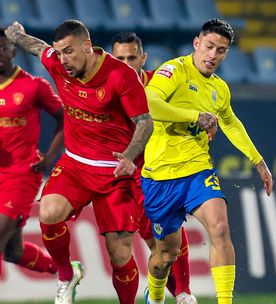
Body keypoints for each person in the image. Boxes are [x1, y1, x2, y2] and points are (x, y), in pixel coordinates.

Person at [5, 20, 153, 304]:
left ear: (87, 46)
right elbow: (40, 49)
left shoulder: (121, 76)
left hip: (115, 173)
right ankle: (66, 275)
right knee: (48, 213)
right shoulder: (59, 65)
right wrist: (18, 36)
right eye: (60, 53)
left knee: (120, 253)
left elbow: (144, 123)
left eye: (69, 51)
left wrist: (130, 157)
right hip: (76, 165)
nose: (63, 59)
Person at [141, 19, 274, 304]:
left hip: (197, 170)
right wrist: (194, 117)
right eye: (210, 46)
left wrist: (258, 160)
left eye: (221, 50)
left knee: (220, 228)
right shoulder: (174, 70)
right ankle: (154, 297)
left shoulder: (220, 89)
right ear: (196, 43)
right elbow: (149, 101)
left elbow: (231, 122)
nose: (213, 55)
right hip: (160, 176)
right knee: (166, 256)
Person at [0, 27, 64, 304]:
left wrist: (49, 157)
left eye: (1, 48)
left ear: (13, 50)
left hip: (24, 173)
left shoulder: (34, 85)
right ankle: (66, 271)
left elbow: (63, 118)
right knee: (12, 250)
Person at [111, 32, 197, 304]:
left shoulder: (161, 86)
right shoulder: (107, 91)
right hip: (128, 178)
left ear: (143, 58)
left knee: (170, 238)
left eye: (132, 58)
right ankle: (159, 294)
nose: (126, 64)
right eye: (120, 58)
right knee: (149, 247)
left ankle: (183, 293)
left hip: (160, 173)